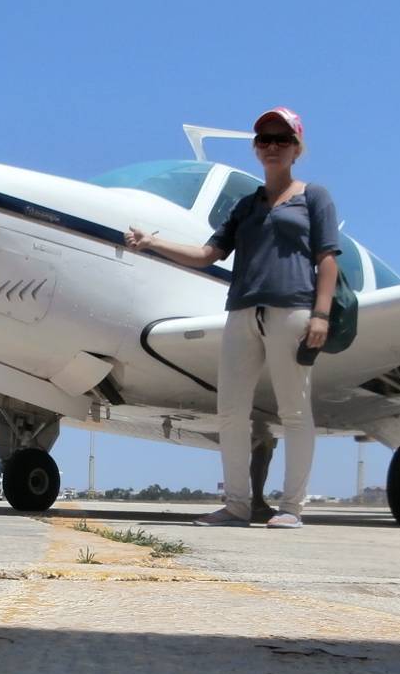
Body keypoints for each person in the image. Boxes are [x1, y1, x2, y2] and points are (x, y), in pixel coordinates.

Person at [125, 106, 340, 529]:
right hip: (241, 312)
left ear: (296, 148)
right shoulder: (246, 206)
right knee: (231, 412)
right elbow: (208, 255)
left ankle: (292, 508)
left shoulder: (314, 197)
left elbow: (327, 258)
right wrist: (152, 242)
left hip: (293, 310)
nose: (272, 146)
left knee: (294, 411)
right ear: (256, 149)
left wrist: (321, 314)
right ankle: (237, 506)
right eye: (264, 139)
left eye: (281, 139)